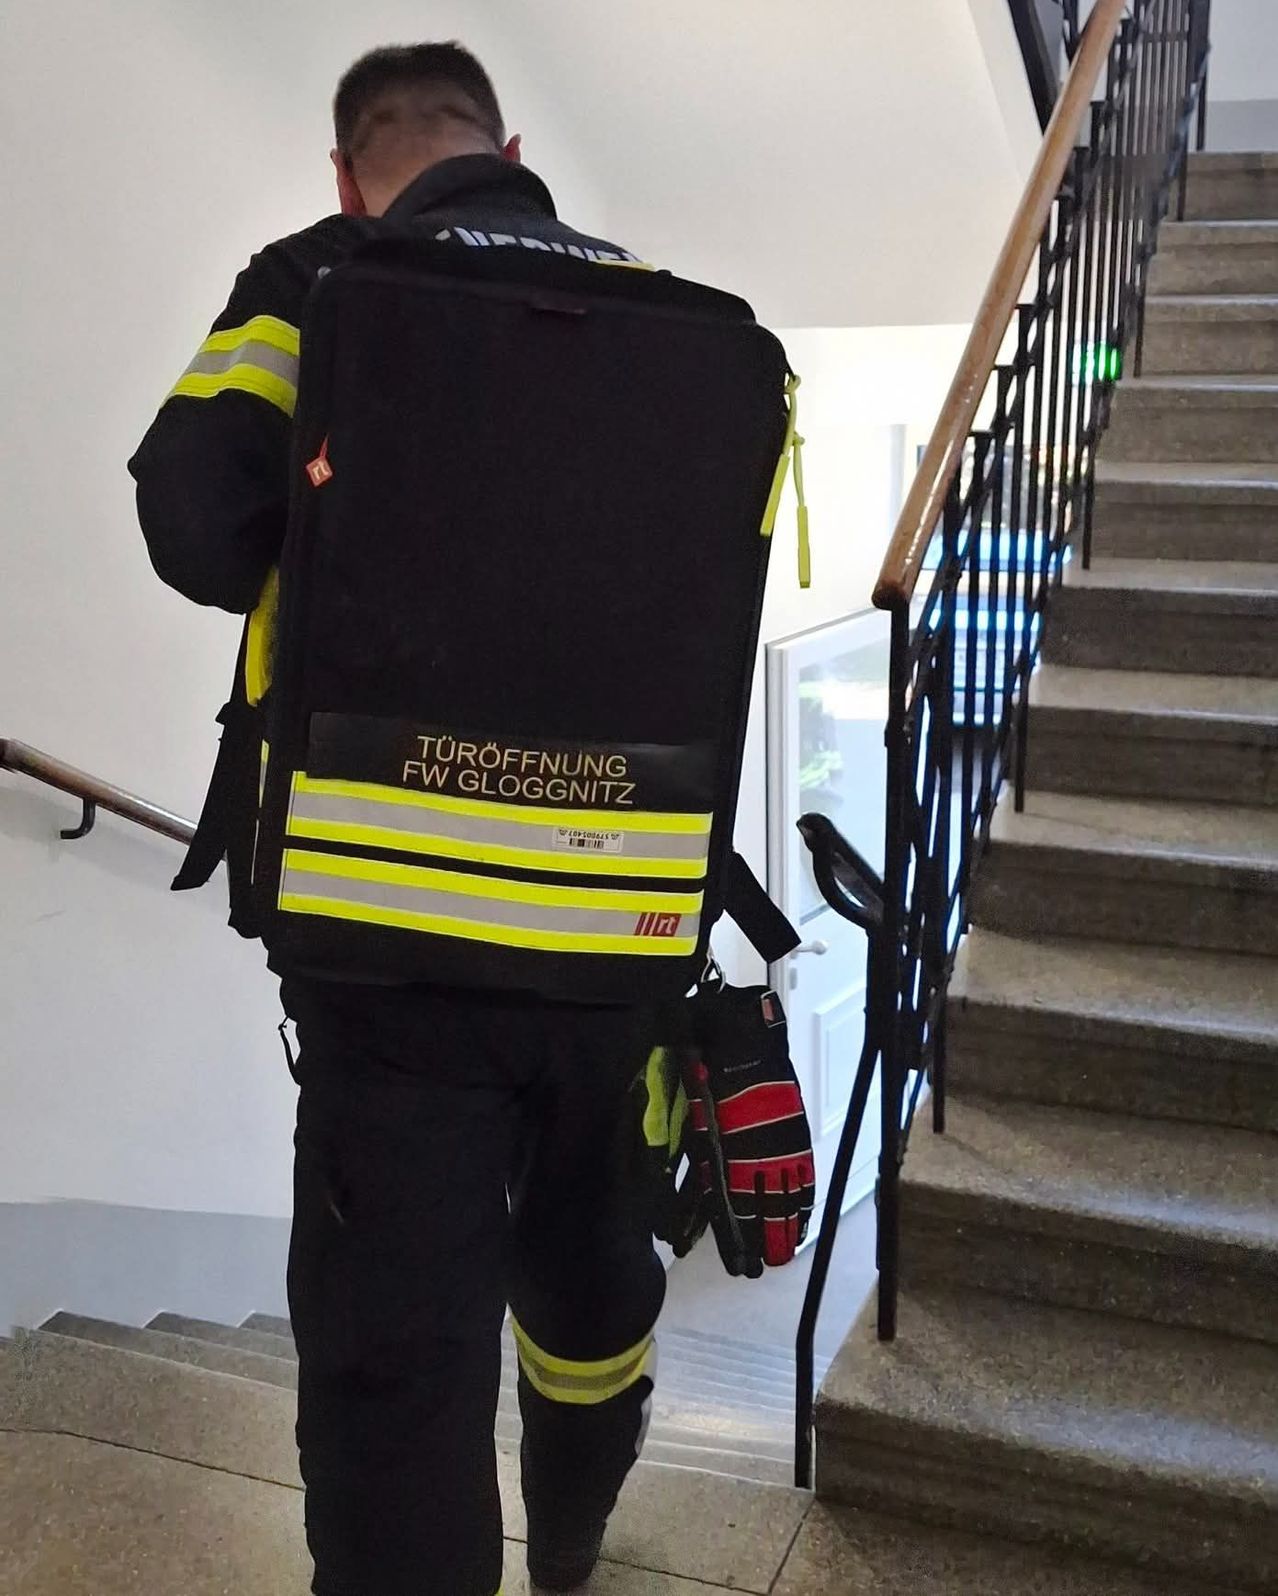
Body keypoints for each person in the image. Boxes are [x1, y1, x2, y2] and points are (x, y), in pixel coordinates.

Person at [130, 43, 671, 1596]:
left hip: (390, 938)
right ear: (506, 146)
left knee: (397, 1371)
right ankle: (569, 1534)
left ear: (347, 170)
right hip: (612, 924)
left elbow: (196, 523)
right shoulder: (666, 312)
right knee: (584, 1283)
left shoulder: (317, 279)